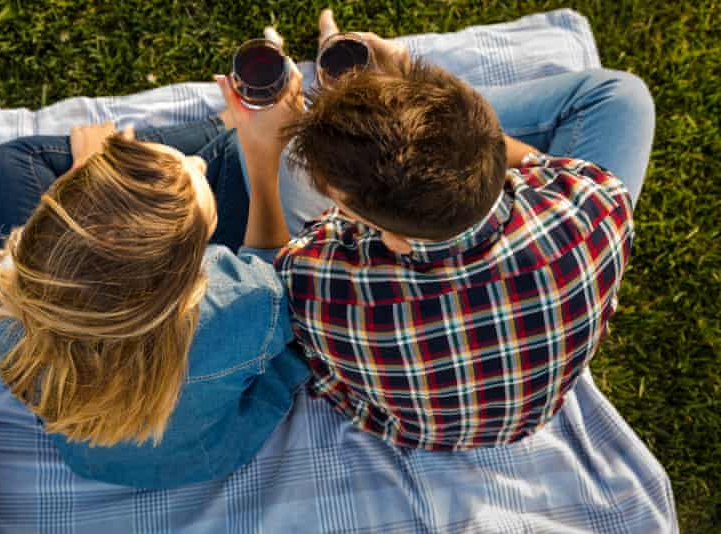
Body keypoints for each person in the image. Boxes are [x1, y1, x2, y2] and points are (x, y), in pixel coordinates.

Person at [253, 10, 655, 450]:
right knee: (624, 97)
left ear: (382, 231)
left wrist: (263, 153)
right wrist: (411, 79)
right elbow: (523, 161)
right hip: (528, 405)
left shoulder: (318, 283)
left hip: (409, 425)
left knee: (292, 158)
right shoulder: (595, 210)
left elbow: (269, 285)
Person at [0, 65, 309, 489]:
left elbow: (55, 256)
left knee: (8, 164)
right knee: (233, 150)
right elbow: (277, 267)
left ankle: (151, 163)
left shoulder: (3, 303)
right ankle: (223, 131)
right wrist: (263, 160)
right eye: (196, 179)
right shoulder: (240, 302)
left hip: (91, 461)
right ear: (192, 267)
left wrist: (90, 188)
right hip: (207, 454)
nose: (196, 163)